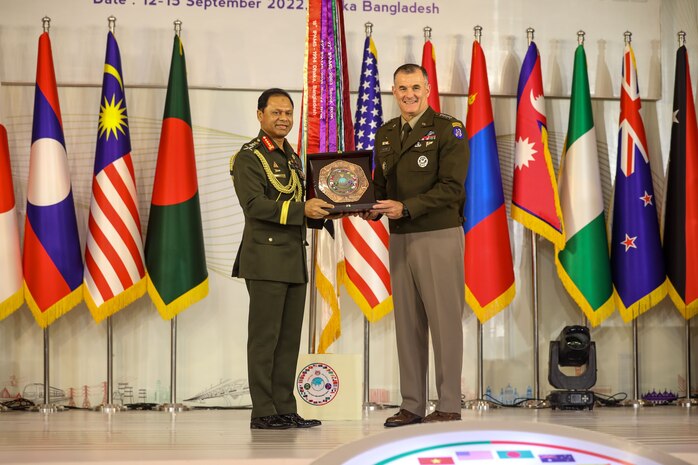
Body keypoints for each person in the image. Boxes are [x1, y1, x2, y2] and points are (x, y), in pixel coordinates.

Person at [371, 64, 469, 426]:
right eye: (401, 88)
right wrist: (368, 207)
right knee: (407, 324)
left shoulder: (448, 128)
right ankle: (412, 404)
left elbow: (452, 188)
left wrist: (406, 207)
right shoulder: (385, 134)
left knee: (444, 323)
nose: (408, 94)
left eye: (415, 86)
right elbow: (381, 186)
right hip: (399, 237)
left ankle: (448, 405)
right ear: (393, 91)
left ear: (428, 88)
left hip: (437, 234)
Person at [230, 88, 332, 430]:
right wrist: (304, 209)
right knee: (264, 340)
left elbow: (300, 207)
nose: (283, 118)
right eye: (276, 112)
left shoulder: (292, 157)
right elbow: (255, 206)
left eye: (288, 113)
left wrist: (328, 211)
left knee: (288, 341)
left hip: (292, 256)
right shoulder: (249, 157)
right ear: (260, 115)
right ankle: (263, 410)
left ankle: (285, 407)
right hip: (264, 257)